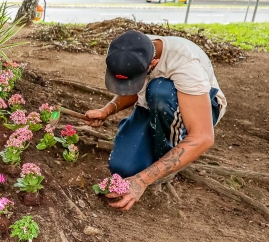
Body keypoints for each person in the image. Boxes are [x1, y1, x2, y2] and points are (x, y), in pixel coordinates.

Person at [84, 30, 226, 210]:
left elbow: (203, 137)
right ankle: (155, 146)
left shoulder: (186, 65)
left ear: (154, 63)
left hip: (194, 110)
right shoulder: (126, 49)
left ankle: (170, 153)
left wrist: (143, 180)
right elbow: (133, 87)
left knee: (160, 90)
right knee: (123, 169)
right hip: (152, 107)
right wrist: (107, 110)